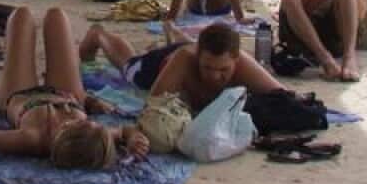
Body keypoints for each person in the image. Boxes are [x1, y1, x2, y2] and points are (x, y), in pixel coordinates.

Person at [0, 7, 148, 167]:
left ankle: (85, 100)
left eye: (82, 123)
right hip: (67, 94)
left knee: (21, 16)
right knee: (57, 16)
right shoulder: (93, 135)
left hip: (21, 95)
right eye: (89, 121)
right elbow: (124, 131)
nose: (89, 121)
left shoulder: (32, 138)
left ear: (65, 132)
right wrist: (134, 139)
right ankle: (87, 99)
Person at [80, 23, 284, 108]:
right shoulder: (186, 60)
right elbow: (154, 106)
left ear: (236, 60)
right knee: (129, 65)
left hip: (192, 48)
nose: (214, 76)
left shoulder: (243, 63)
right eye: (208, 69)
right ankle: (99, 34)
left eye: (223, 70)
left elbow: (285, 97)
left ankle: (176, 35)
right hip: (159, 66)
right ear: (198, 59)